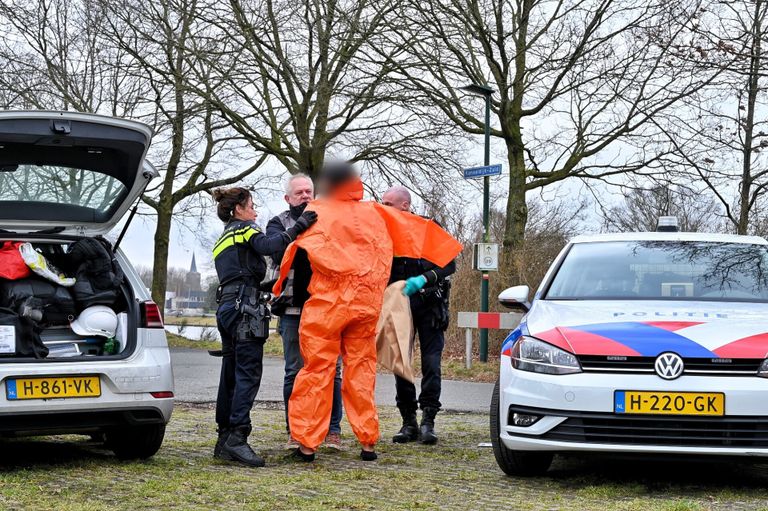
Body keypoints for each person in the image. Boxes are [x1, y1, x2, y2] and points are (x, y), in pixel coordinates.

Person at [272, 162, 462, 463]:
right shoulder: (377, 212)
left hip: (328, 304)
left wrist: (279, 284)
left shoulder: (318, 211)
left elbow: (291, 249)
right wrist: (441, 260)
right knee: (361, 371)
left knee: (317, 371)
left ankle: (307, 444)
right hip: (366, 303)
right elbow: (422, 235)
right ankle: (368, 441)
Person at [211, 187, 317, 467]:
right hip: (245, 310)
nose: (256, 211)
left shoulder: (222, 238)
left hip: (228, 306)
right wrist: (301, 226)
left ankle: (223, 439)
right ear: (238, 211)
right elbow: (271, 245)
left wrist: (269, 286)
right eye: (252, 206)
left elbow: (239, 274)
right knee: (248, 373)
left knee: (231, 374)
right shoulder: (245, 229)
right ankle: (238, 437)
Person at [266, 173, 344, 450]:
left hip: (327, 308)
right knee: (295, 371)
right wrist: (300, 228)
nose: (305, 196)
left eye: (309, 191)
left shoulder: (329, 219)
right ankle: (295, 430)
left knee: (332, 371)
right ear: (288, 198)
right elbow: (276, 254)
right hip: (292, 308)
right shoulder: (278, 223)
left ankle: (332, 430)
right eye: (299, 192)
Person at [381, 186, 456, 445]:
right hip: (398, 305)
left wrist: (425, 277)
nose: (383, 207)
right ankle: (408, 422)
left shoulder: (426, 227)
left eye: (388, 203)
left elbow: (450, 263)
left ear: (405, 205)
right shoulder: (382, 232)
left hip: (429, 304)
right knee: (401, 365)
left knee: (431, 364)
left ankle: (428, 421)